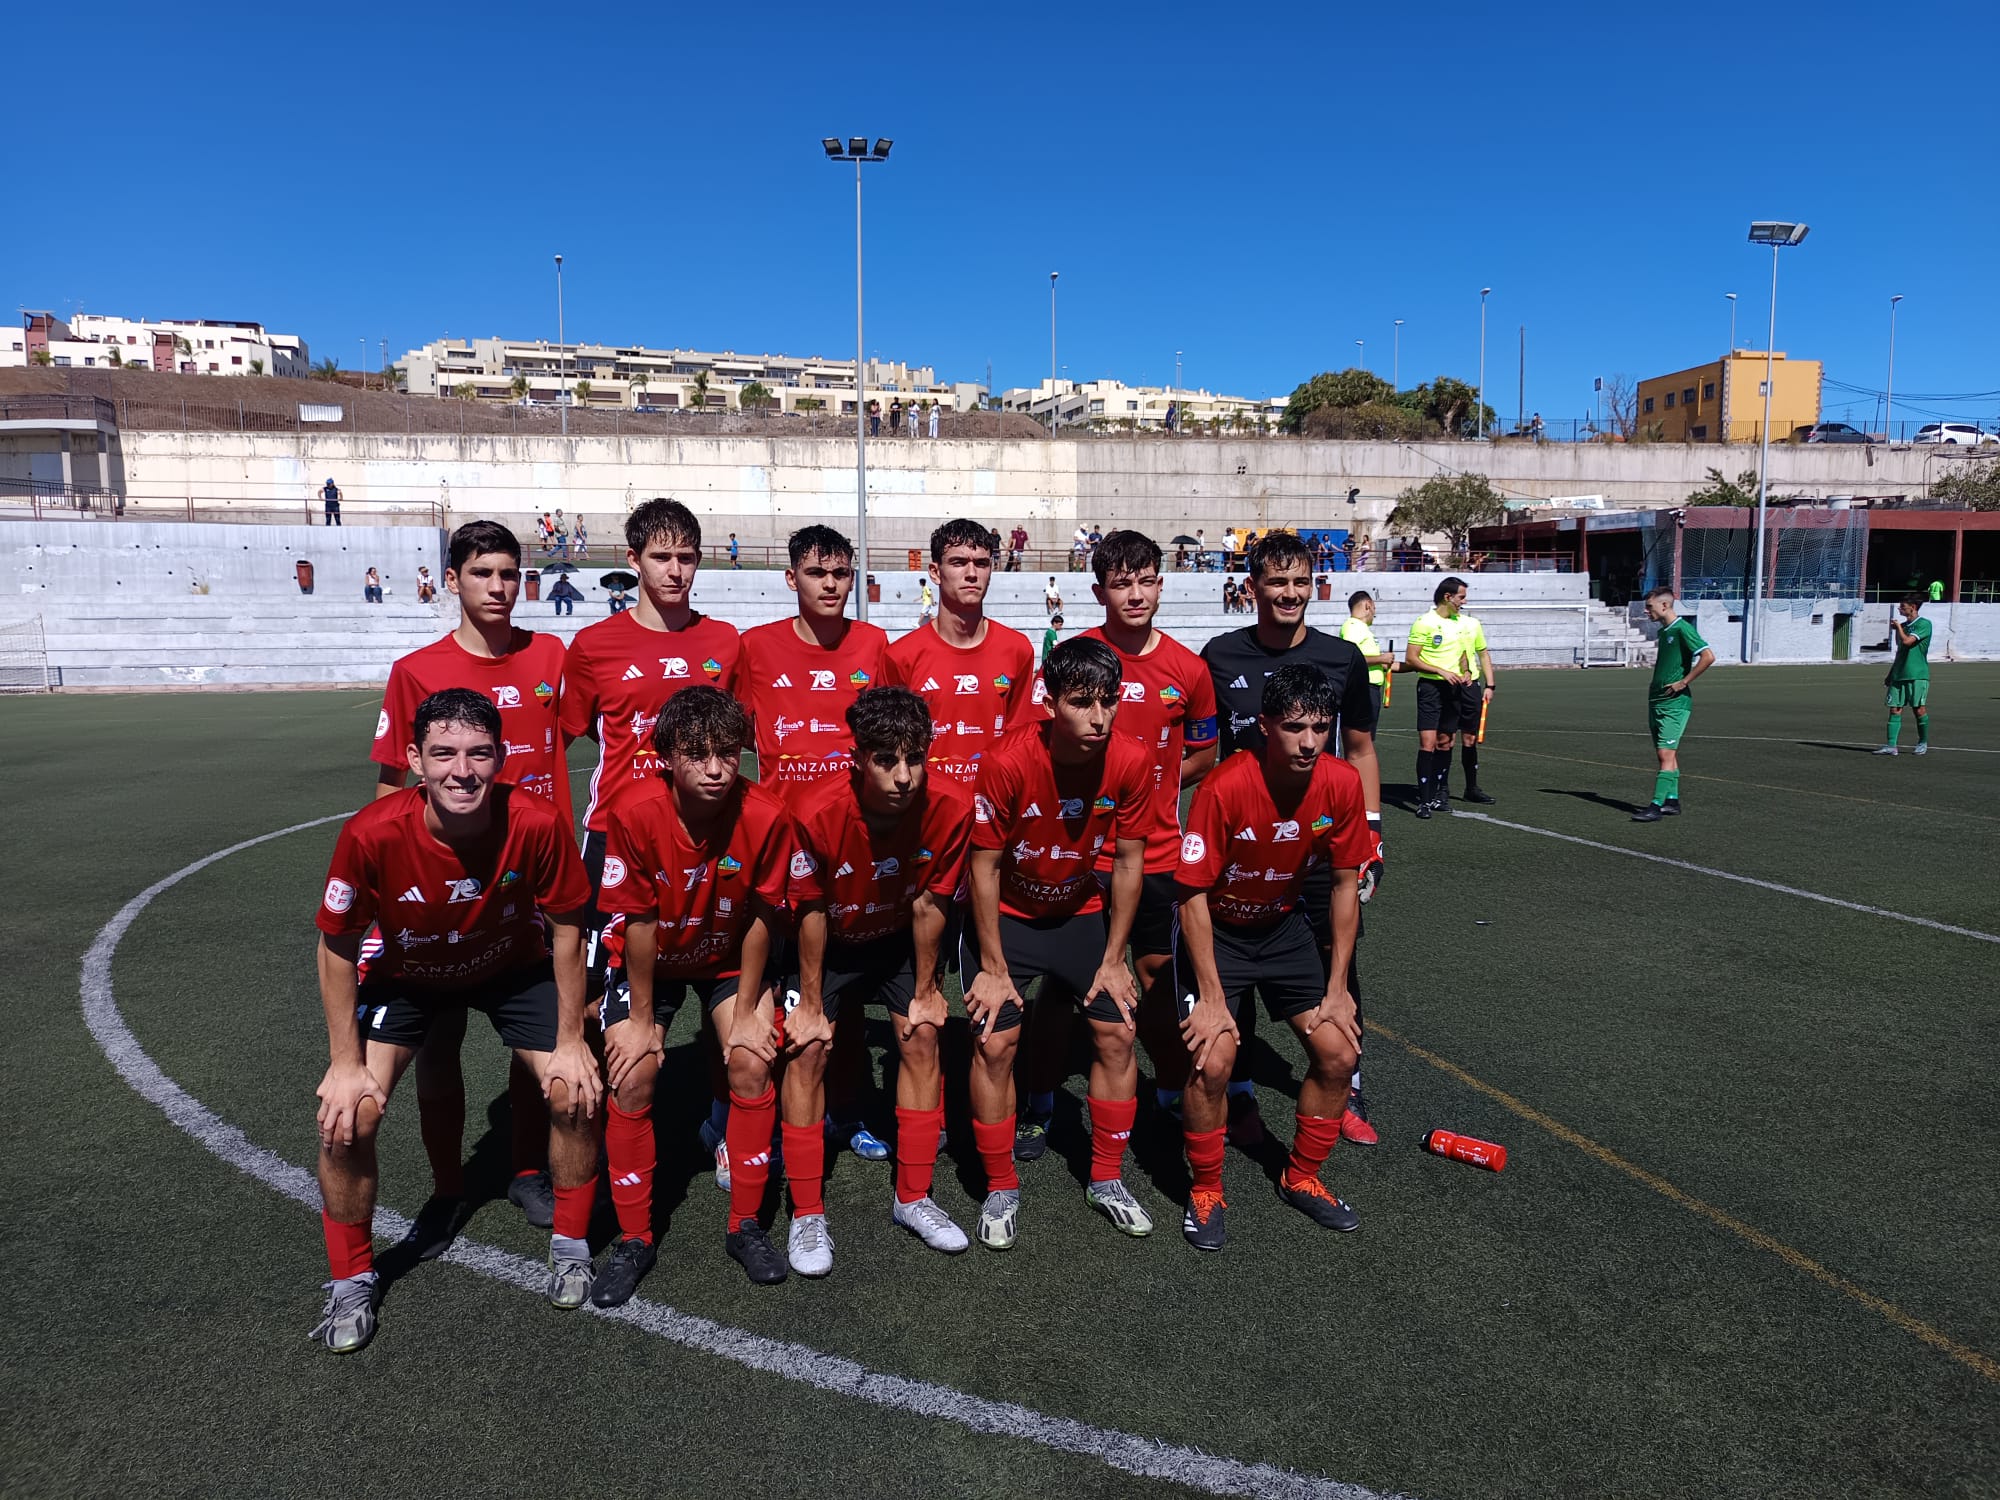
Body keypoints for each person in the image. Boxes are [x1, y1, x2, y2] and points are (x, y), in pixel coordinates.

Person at [309, 688, 601, 1352]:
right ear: (415, 759)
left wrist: (571, 1039)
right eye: (442, 753)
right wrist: (345, 1063)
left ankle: (571, 1244)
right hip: (410, 973)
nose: (460, 770)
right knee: (347, 1118)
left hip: (508, 964)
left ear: (500, 759)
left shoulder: (535, 821)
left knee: (575, 1090)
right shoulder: (371, 832)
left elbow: (564, 928)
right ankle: (352, 1280)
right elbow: (336, 944)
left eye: (477, 754)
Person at [369, 520, 574, 1242]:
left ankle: (525, 1171)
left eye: (510, 574)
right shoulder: (416, 670)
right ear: (452, 580)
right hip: (441, 894)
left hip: (535, 888)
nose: (498, 587)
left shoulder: (552, 655)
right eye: (483, 573)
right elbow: (390, 795)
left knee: (535, 1039)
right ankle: (448, 1186)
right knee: (439, 1042)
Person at [560, 497, 743, 1182]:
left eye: (686, 557)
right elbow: (568, 737)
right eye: (661, 557)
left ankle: (724, 1131)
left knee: (728, 993)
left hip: (706, 845)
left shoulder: (725, 643)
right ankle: (601, 1136)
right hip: (616, 846)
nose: (675, 570)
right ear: (632, 561)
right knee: (595, 1000)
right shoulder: (594, 647)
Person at [1015, 531, 1215, 1159]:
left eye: (1146, 579)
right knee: (1058, 990)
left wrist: (1148, 785)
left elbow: (1204, 751)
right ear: (1099, 590)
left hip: (1155, 854)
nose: (1135, 593)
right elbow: (1037, 740)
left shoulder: (1189, 668)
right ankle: (1037, 1099)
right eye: (1121, 583)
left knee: (1155, 981)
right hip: (1079, 856)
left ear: (1161, 583)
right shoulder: (1075, 658)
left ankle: (1168, 1091)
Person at [595, 687, 792, 1293]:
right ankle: (633, 1240)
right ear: (665, 757)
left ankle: (746, 1227)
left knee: (752, 1062)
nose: (715, 769)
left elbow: (764, 916)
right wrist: (644, 1023)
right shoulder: (632, 812)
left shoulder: (766, 814)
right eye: (696, 754)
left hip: (730, 957)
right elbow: (638, 922)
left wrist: (752, 1010)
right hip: (652, 956)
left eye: (728, 753)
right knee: (633, 1073)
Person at [1173, 665, 1372, 1250]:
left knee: (1338, 1053)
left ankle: (1302, 1177)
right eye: (1293, 728)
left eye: (1319, 726)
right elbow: (1191, 895)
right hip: (1219, 933)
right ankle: (1206, 1188)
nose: (1309, 741)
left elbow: (1342, 885)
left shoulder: (1341, 783)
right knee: (1213, 1060)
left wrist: (1339, 988)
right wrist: (1211, 997)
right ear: (1264, 727)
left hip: (1284, 931)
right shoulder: (1225, 787)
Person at [965, 637, 1151, 1247]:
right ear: (1050, 700)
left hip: (1078, 911)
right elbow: (984, 868)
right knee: (996, 1043)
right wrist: (992, 965)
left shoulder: (1130, 759)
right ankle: (999, 1185)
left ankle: (1105, 1179)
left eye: (1109, 701)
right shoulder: (1007, 761)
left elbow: (1127, 862)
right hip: (1010, 918)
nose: (1098, 717)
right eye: (1081, 703)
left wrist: (1114, 957)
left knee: (1119, 1031)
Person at [1203, 532, 1385, 1148]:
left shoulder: (1341, 658)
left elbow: (1359, 750)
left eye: (1301, 582)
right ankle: (1241, 1090)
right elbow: (1206, 755)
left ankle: (1349, 1086)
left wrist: (1373, 833)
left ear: (1316, 586)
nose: (1290, 594)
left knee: (1341, 957)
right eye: (1277, 582)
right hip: (1244, 850)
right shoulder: (1219, 657)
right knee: (1240, 964)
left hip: (1318, 844)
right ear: (1251, 588)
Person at [783, 687, 976, 1265]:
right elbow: (810, 912)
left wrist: (925, 992)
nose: (903, 776)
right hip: (827, 940)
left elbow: (930, 903)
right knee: (810, 1047)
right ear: (857, 759)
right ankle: (807, 1214)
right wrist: (813, 1002)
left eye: (914, 758)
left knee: (922, 1037)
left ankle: (914, 1197)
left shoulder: (952, 804)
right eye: (886, 760)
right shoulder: (813, 811)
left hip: (895, 935)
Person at [738, 525, 897, 1161]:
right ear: (791, 579)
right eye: (816, 573)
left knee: (845, 991)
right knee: (773, 988)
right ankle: (762, 1113)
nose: (830, 584)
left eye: (840, 573)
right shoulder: (756, 648)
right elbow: (737, 732)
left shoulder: (874, 645)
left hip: (855, 844)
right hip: (780, 846)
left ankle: (848, 1108)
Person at [888, 519, 1037, 790]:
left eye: (981, 563)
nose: (972, 573)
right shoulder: (901, 656)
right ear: (935, 572)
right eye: (958, 563)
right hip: (927, 813)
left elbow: (1020, 741)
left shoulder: (1017, 649)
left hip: (994, 809)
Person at [1633, 586, 1716, 817]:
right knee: (1668, 754)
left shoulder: (1682, 629)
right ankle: (1672, 800)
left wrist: (1683, 682)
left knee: (1665, 755)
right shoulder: (1664, 632)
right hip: (1657, 700)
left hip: (1674, 703)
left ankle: (1656, 806)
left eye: (1649, 607)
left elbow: (1708, 656)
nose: (1646, 612)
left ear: (1664, 605)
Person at [1406, 576, 1473, 819]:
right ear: (1448, 597)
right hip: (1431, 689)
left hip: (1454, 690)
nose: (1464, 602)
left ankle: (1440, 794)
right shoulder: (1424, 622)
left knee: (1447, 742)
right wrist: (1439, 671)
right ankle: (1423, 801)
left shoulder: (1459, 623)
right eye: (1461, 597)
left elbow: (1464, 655)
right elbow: (1412, 658)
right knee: (1428, 743)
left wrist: (1465, 671)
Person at [1453, 592, 1498, 804]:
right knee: (1444, 739)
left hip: (1471, 688)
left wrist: (1490, 685)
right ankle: (1439, 789)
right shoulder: (1437, 623)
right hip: (1449, 685)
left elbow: (1483, 653)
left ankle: (1471, 787)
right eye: (1461, 597)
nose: (1465, 601)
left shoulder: (1473, 624)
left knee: (1470, 739)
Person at [1876, 593, 1933, 758]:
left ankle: (1922, 742)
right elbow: (1901, 652)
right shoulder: (1904, 627)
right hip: (1899, 675)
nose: (1900, 609)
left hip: (1917, 674)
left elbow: (1908, 642)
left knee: (1919, 709)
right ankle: (1891, 746)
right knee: (1894, 709)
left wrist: (1898, 628)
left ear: (1913, 607)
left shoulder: (1924, 624)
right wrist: (1891, 674)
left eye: (1903, 606)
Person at [1337, 591, 1400, 732]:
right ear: (1368, 605)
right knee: (1363, 737)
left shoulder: (1362, 629)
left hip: (1370, 688)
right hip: (1363, 688)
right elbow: (1350, 658)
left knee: (1368, 735)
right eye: (1374, 608)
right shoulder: (1353, 626)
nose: (1374, 613)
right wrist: (1381, 658)